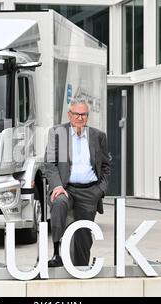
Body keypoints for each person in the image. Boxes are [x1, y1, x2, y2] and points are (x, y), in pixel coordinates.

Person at [44, 98, 111, 267]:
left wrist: (100, 190)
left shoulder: (98, 136)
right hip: (65, 188)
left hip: (90, 191)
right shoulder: (58, 133)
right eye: (76, 114)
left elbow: (105, 166)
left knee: (83, 236)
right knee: (59, 204)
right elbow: (50, 164)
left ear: (87, 116)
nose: (80, 118)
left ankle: (80, 269)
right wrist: (57, 186)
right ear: (69, 115)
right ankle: (57, 253)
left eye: (84, 115)